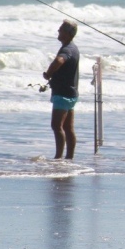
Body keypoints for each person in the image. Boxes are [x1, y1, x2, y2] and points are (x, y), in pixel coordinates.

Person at [43, 19, 80, 159]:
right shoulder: (73, 48)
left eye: (61, 29)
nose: (58, 31)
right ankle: (69, 157)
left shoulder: (67, 49)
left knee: (56, 126)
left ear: (67, 33)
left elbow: (59, 61)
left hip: (63, 93)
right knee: (68, 128)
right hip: (71, 92)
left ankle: (58, 158)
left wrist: (48, 74)